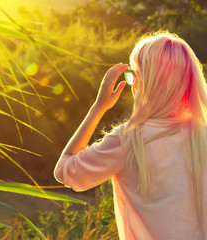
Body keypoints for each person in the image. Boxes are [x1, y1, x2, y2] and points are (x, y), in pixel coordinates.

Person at [54, 32, 207, 240]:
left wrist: (99, 107)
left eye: (133, 74)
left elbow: (65, 172)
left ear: (146, 82)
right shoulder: (202, 134)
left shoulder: (129, 140)